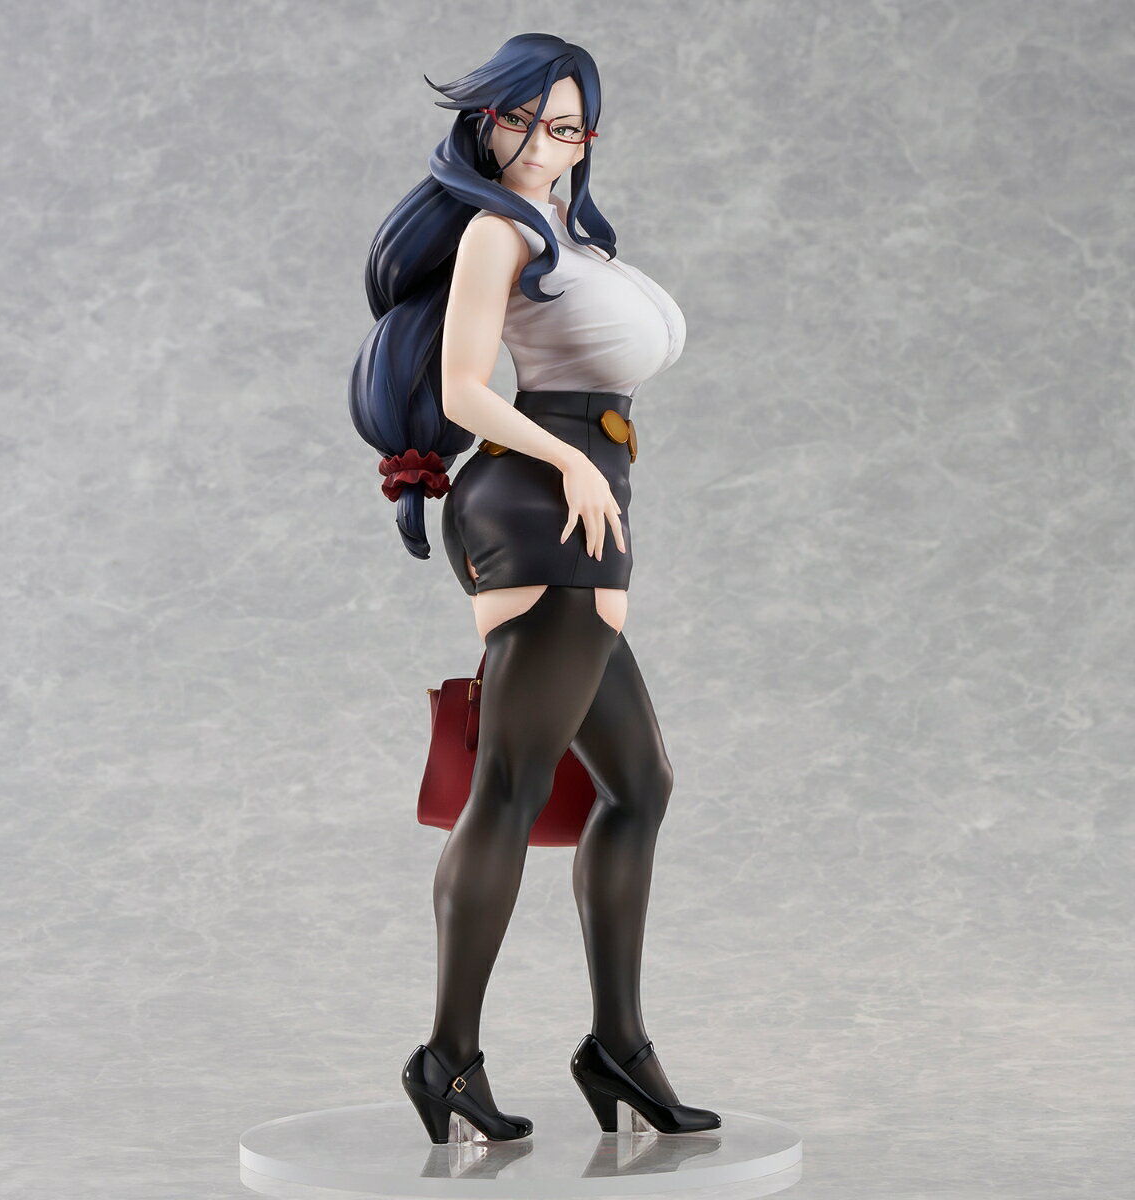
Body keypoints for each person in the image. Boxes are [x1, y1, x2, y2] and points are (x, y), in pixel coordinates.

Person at [348, 32, 721, 1144]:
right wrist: (567, 462)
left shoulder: (567, 233)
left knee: (639, 784)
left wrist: (585, 469)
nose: (538, 142)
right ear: (485, 121)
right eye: (520, 119)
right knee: (508, 786)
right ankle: (446, 1059)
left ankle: (619, 1048)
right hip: (538, 501)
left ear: (586, 137)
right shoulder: (499, 229)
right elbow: (466, 387)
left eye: (564, 125)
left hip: (582, 499)